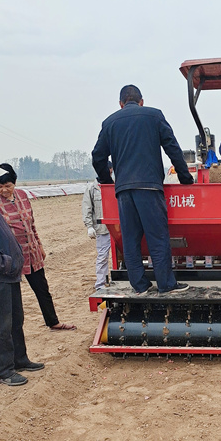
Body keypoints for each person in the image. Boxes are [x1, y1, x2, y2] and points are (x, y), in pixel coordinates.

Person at [92, 84, 193, 295]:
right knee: (157, 237)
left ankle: (139, 286)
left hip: (123, 191)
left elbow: (98, 156)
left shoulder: (109, 123)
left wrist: (107, 182)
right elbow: (172, 147)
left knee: (130, 239)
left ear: (120, 104)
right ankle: (166, 285)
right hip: (149, 187)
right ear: (141, 101)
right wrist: (185, 177)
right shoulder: (154, 116)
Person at [0, 164, 77, 331]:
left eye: (7, 186)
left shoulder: (23, 196)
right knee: (10, 297)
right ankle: (7, 331)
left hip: (31, 252)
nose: (3, 190)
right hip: (8, 257)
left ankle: (53, 321)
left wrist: (39, 245)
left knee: (42, 289)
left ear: (15, 183)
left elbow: (31, 224)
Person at [0, 158, 44, 387]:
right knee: (0, 325)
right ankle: (3, 370)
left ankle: (19, 359)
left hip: (10, 271)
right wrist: (2, 262)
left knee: (16, 319)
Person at [82, 159, 113, 290]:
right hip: (103, 229)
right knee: (102, 256)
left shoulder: (114, 186)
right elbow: (87, 208)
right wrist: (89, 226)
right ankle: (100, 283)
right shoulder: (92, 188)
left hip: (118, 228)